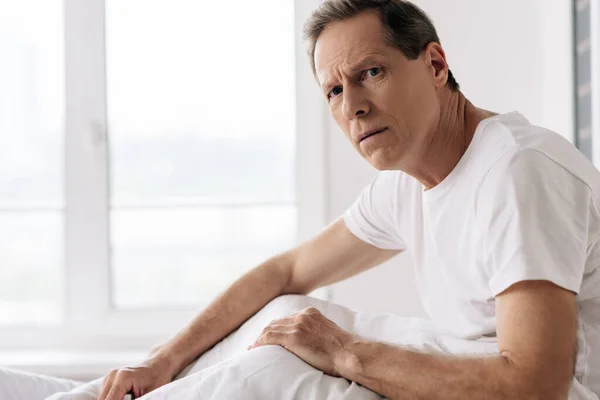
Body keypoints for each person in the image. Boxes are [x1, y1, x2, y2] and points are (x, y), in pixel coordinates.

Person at [2, 0, 599, 399]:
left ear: (436, 64)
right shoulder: (407, 183)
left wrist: (345, 353)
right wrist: (157, 363)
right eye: (334, 90)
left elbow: (535, 384)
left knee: (283, 361)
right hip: (460, 365)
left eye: (371, 73)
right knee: (276, 318)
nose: (352, 106)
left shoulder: (518, 171)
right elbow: (286, 270)